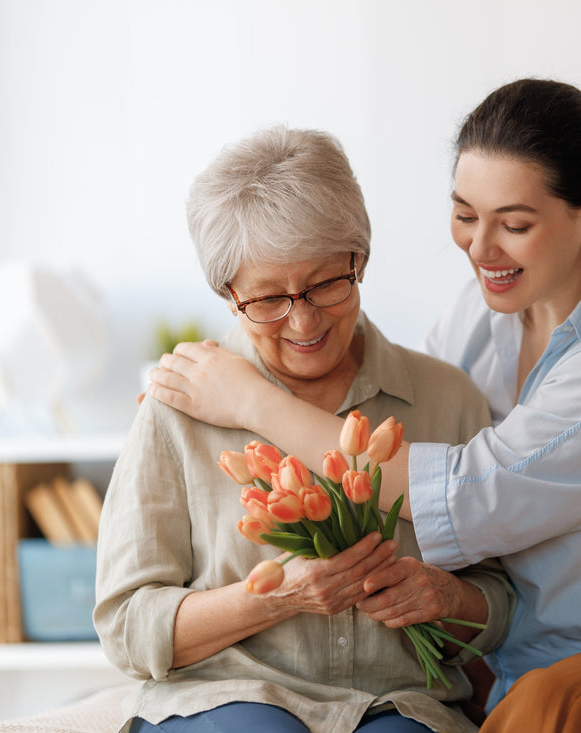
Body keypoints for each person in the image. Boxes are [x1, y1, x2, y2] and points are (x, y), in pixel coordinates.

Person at [146, 80, 581, 732]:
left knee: (554, 707)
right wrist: (222, 374)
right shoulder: (486, 311)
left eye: (515, 224)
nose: (480, 249)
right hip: (512, 661)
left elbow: (468, 493)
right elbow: (399, 423)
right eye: (465, 215)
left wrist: (248, 397)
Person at [94, 126, 515, 733]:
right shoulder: (174, 406)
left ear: (359, 259)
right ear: (227, 292)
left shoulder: (447, 398)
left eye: (326, 284)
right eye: (267, 298)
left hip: (398, 705)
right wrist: (273, 595)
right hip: (225, 698)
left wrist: (445, 598)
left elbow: (500, 604)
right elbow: (128, 626)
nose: (304, 319)